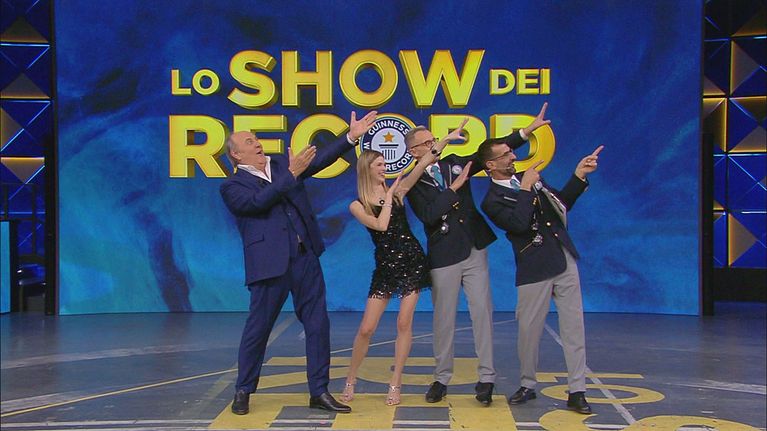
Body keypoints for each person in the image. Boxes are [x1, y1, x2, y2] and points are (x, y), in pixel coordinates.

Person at [220, 111, 377, 415]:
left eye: (256, 139)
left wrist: (350, 137)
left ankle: (319, 391)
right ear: (236, 154)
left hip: (304, 257)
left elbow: (319, 160)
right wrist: (291, 175)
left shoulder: (282, 164)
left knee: (318, 324)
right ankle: (244, 389)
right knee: (258, 328)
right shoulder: (232, 186)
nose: (257, 143)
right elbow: (256, 203)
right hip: (269, 264)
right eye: (249, 142)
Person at [403, 104, 551, 406]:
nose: (434, 145)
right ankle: (441, 377)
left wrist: (526, 132)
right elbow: (429, 215)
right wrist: (453, 191)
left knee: (482, 312)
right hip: (444, 254)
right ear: (414, 151)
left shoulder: (456, 163)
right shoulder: (411, 181)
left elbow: (488, 155)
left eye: (434, 140)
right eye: (428, 143)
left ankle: (487, 377)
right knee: (444, 318)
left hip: (474, 246)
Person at [341, 123, 469, 406]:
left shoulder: (399, 190)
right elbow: (380, 225)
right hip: (385, 267)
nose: (384, 168)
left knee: (403, 322)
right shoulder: (358, 204)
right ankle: (351, 378)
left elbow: (422, 163)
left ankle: (395, 382)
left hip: (412, 261)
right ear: (367, 169)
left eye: (384, 164)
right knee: (366, 328)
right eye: (379, 165)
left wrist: (444, 141)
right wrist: (389, 198)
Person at [477, 131, 603, 415]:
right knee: (529, 330)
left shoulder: (532, 179)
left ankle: (577, 390)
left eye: (511, 152)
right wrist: (525, 189)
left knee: (574, 327)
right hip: (533, 265)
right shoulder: (492, 201)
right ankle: (527, 383)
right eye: (505, 155)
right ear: (491, 166)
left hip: (563, 256)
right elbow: (519, 225)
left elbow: (561, 204)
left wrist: (579, 175)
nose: (513, 156)